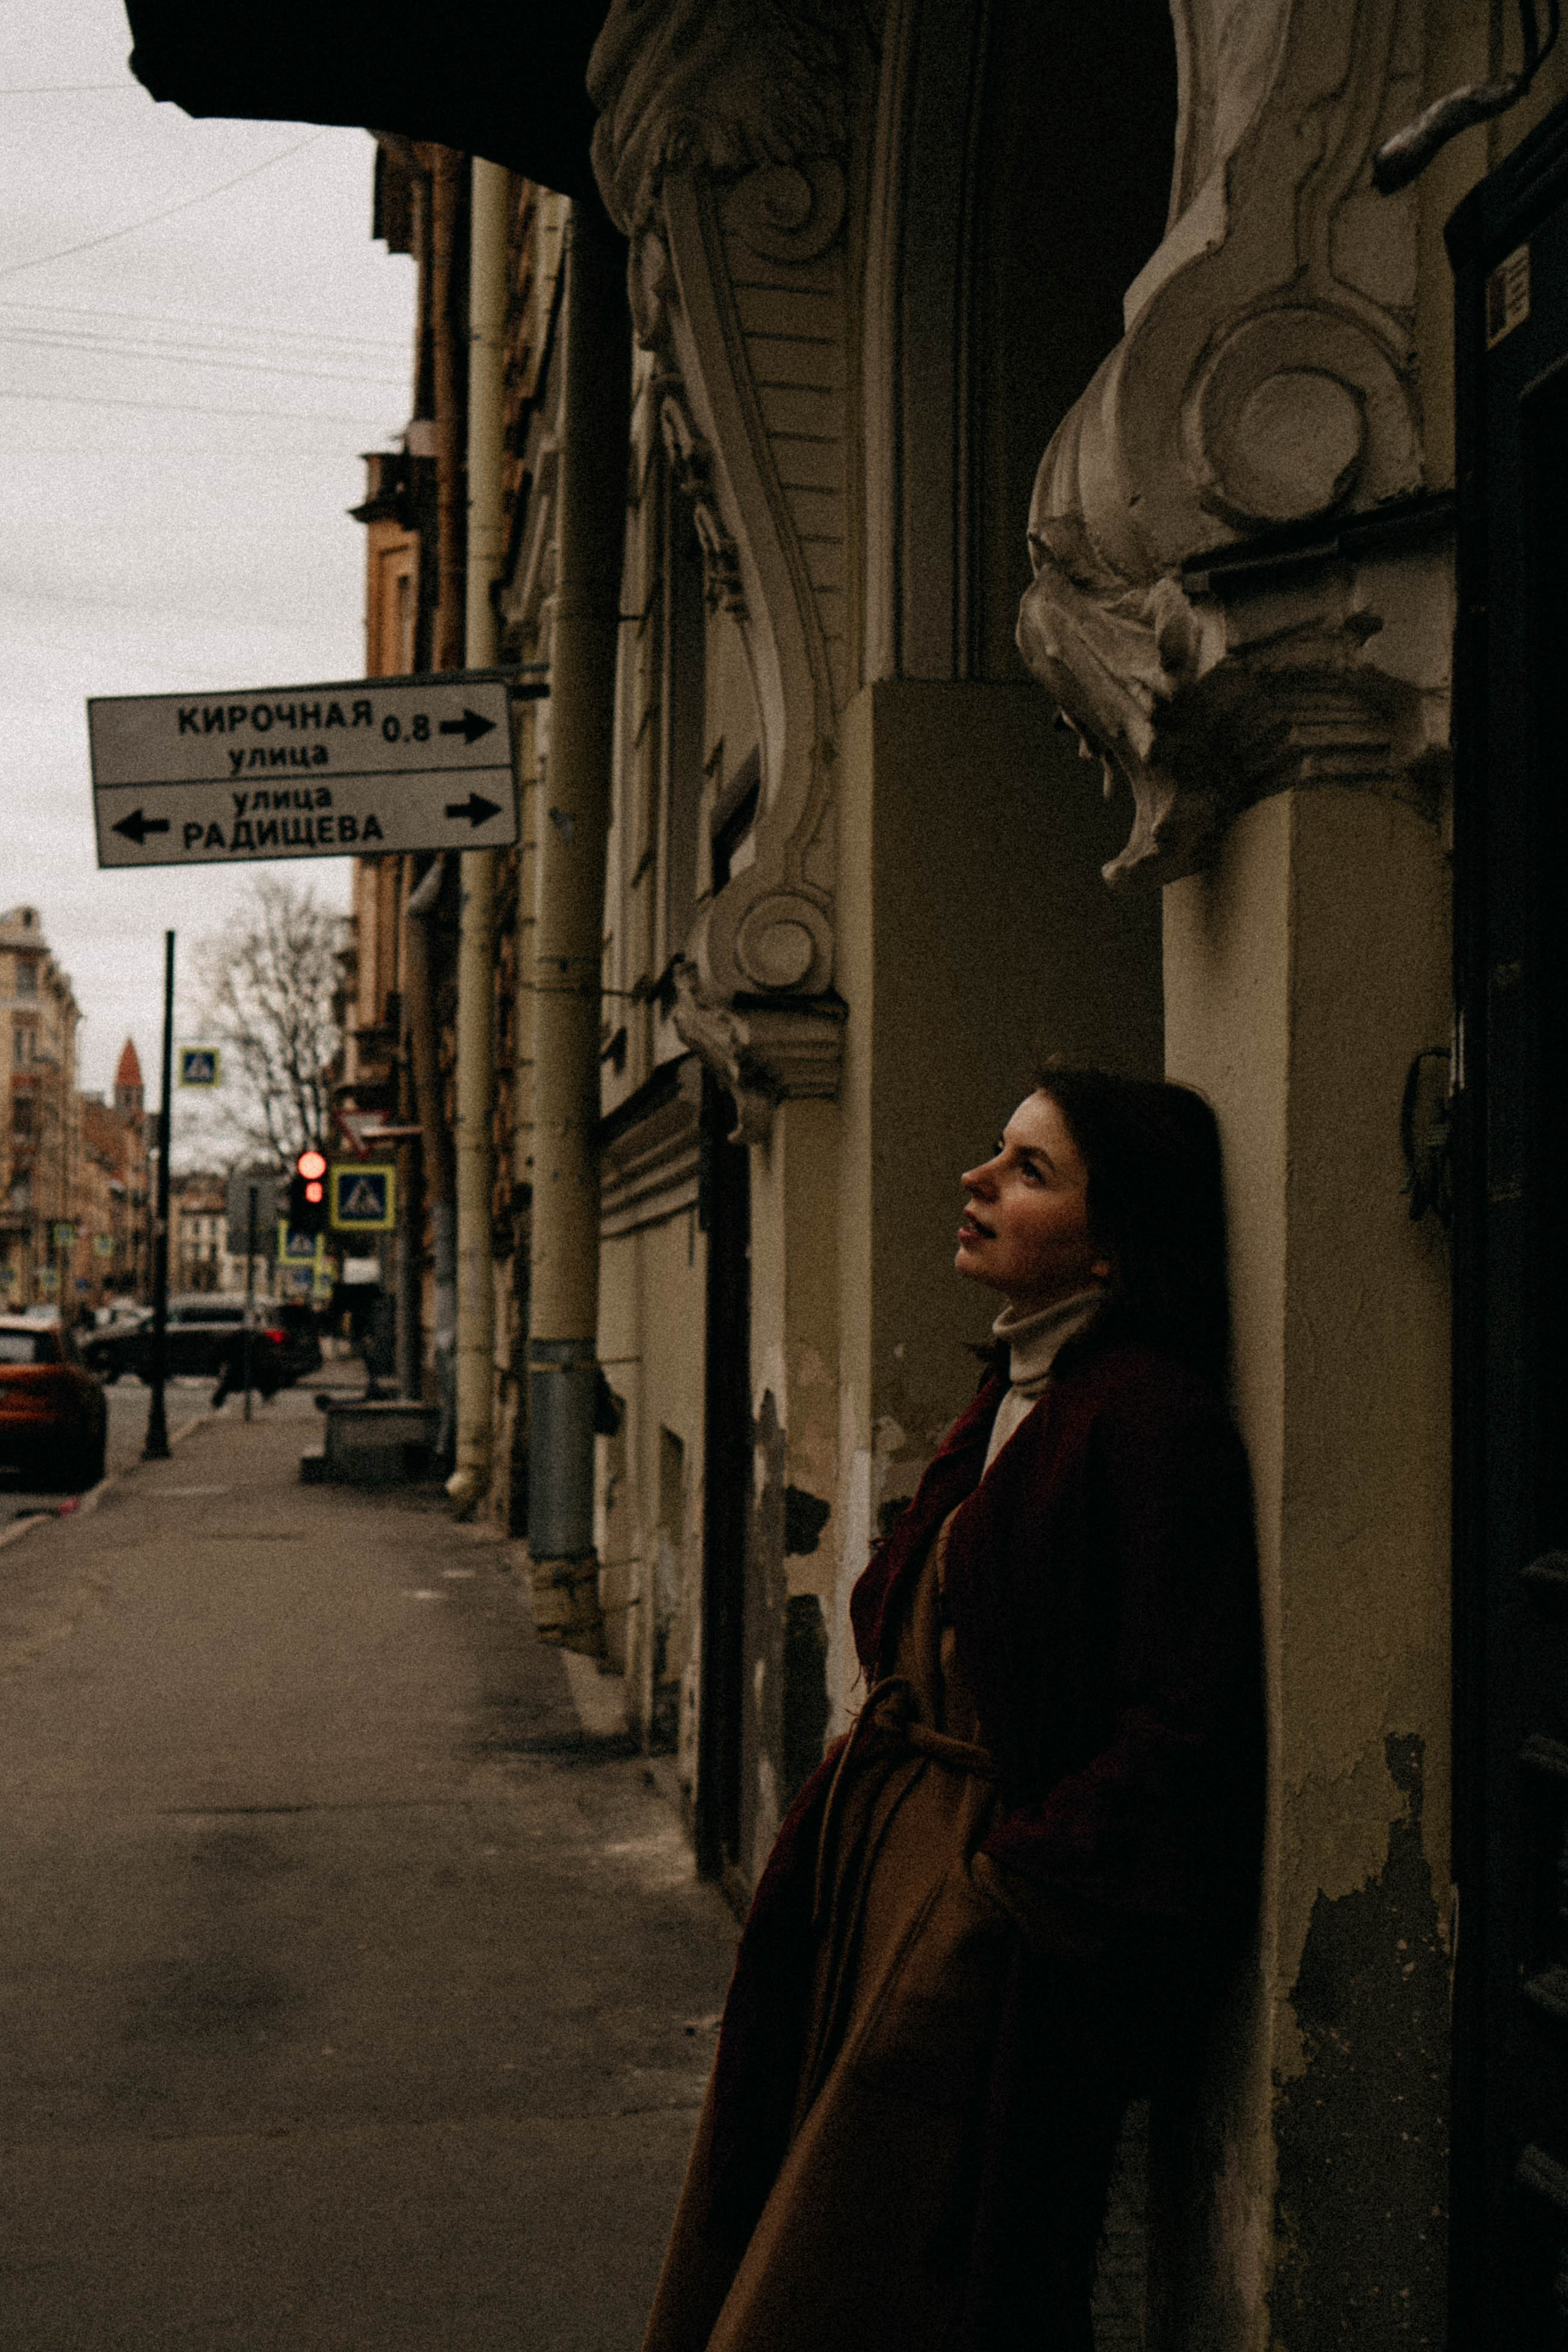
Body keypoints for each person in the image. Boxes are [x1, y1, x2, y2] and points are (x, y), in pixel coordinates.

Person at [643, 1068, 1264, 2352]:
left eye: (1029, 1171)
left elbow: (1181, 1722)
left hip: (982, 1912)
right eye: (997, 1151)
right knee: (823, 2221)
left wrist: (999, 1898)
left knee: (914, 2262)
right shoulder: (1019, 1390)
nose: (976, 1180)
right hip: (885, 1874)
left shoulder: (1147, 1418)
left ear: (1113, 1242)